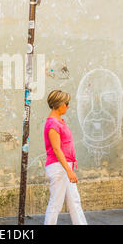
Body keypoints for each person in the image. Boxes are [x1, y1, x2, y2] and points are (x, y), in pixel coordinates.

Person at [44, 90, 87, 225]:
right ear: (59, 104)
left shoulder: (58, 121)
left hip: (64, 166)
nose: (68, 106)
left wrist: (69, 168)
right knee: (56, 203)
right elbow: (57, 149)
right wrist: (68, 170)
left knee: (74, 201)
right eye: (66, 103)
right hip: (59, 167)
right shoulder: (53, 124)